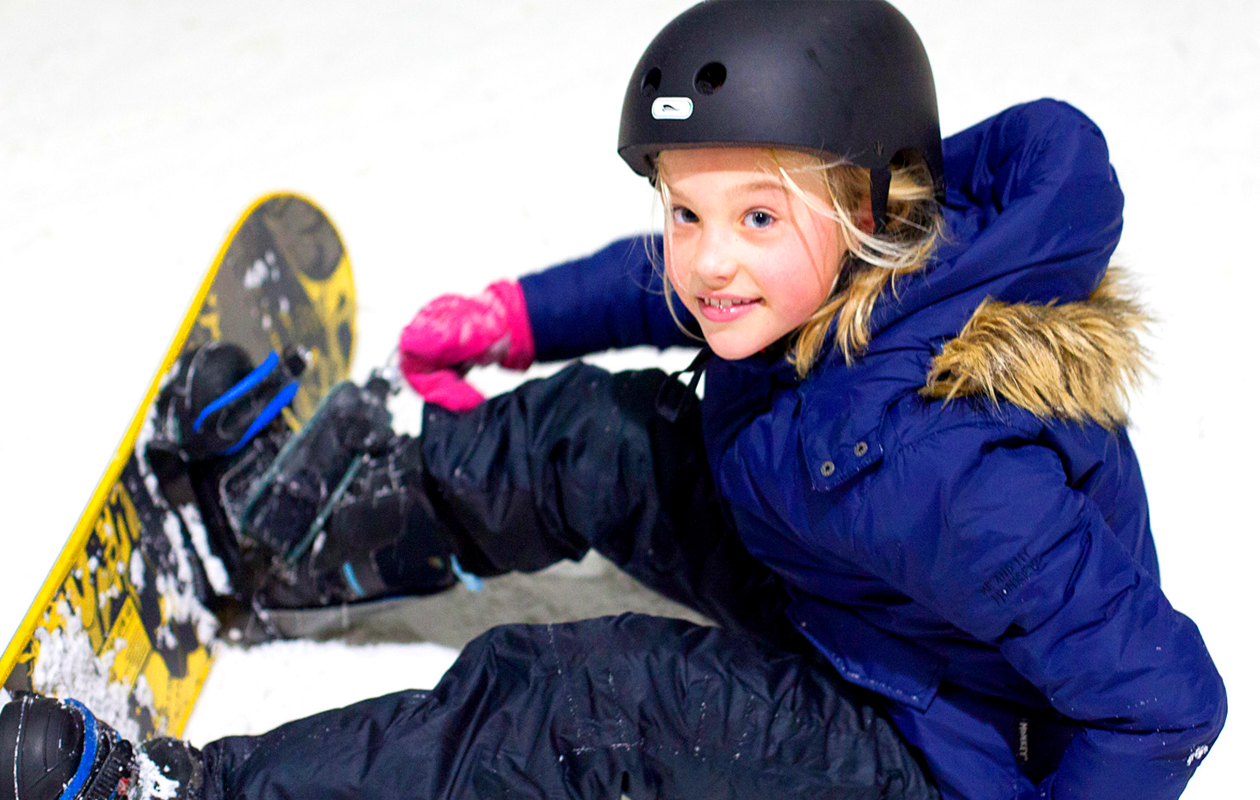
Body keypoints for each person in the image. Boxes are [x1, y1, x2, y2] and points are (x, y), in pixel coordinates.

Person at [0, 1, 1226, 799]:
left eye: (754, 215)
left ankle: (171, 793)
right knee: (598, 430)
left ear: (873, 208)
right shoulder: (844, 278)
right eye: (685, 210)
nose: (705, 256)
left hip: (926, 748)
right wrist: (521, 318)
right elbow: (680, 290)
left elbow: (1166, 702)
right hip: (846, 582)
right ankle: (274, 530)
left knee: (588, 704)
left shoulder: (959, 476)